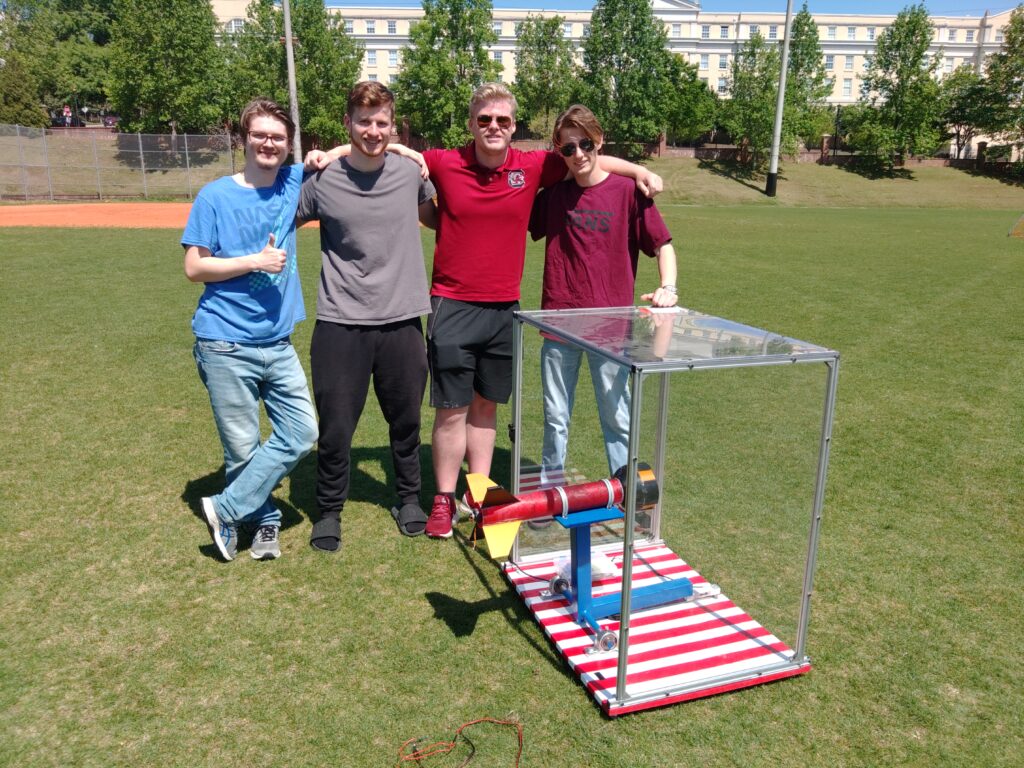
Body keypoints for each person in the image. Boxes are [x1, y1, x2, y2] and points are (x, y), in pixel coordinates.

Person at [417, 82, 664, 539]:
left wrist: (639, 170)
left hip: (505, 310)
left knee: (486, 405)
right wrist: (329, 155)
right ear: (471, 123)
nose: (493, 126)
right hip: (452, 302)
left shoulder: (532, 165)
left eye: (502, 120)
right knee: (452, 409)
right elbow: (393, 152)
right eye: (485, 119)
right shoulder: (444, 160)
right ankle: (444, 500)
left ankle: (480, 493)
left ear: (514, 126)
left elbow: (587, 160)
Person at [296, 82, 437, 552]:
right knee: (336, 427)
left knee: (406, 422)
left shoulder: (411, 174)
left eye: (382, 123)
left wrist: (408, 152)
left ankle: (409, 498)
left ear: (393, 127)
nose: (373, 131)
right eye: (363, 122)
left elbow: (443, 218)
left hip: (402, 320)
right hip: (341, 321)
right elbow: (279, 217)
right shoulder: (322, 180)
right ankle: (329, 510)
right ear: (348, 124)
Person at [182, 98, 320, 562]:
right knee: (242, 448)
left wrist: (407, 152)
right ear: (244, 139)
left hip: (277, 343)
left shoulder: (291, 181)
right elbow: (194, 267)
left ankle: (224, 509)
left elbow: (351, 148)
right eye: (260, 134)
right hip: (224, 342)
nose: (269, 143)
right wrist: (254, 262)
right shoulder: (215, 196)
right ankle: (264, 523)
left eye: (278, 137)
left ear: (289, 144)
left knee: (302, 432)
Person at [528, 104, 678, 480]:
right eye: (568, 148)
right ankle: (551, 491)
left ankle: (628, 494)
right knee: (555, 417)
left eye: (585, 144)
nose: (578, 154)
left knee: (617, 417)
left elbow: (663, 245)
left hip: (611, 328)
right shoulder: (554, 196)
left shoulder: (628, 192)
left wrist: (668, 287)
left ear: (599, 141)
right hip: (559, 324)